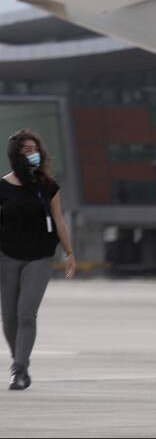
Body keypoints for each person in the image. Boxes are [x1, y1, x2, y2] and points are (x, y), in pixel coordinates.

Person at [0, 129, 76, 391]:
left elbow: (59, 219)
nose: (32, 154)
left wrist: (70, 253)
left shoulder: (47, 186)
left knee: (26, 313)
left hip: (40, 256)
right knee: (8, 317)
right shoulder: (2, 186)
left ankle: (19, 368)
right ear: (15, 155)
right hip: (7, 256)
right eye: (26, 150)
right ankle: (19, 361)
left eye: (35, 149)